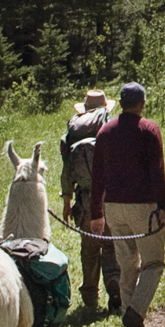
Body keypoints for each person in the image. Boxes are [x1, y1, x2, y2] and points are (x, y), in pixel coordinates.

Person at [90, 81, 165, 327]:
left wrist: (96, 213)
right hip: (143, 207)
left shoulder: (104, 132)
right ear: (142, 103)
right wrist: (163, 206)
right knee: (153, 263)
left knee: (127, 267)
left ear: (120, 104)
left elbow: (97, 176)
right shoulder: (149, 129)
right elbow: (157, 170)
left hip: (113, 208)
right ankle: (135, 312)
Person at [60, 89, 123, 312]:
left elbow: (67, 173)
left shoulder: (72, 135)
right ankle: (114, 287)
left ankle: (89, 298)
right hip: (109, 197)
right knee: (111, 245)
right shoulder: (110, 128)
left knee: (88, 249)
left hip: (84, 201)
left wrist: (67, 202)